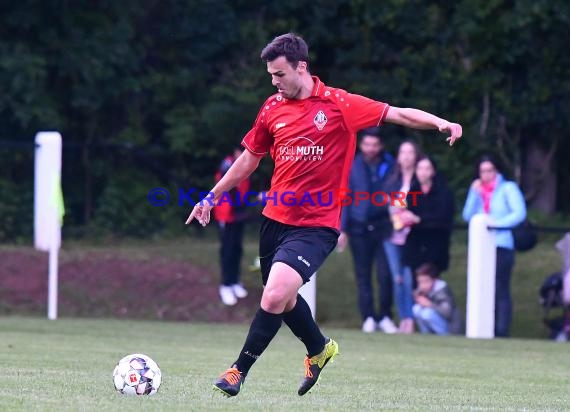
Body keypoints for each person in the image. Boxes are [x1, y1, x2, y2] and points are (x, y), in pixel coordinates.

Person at [186, 32, 462, 397]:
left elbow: (396, 113)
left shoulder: (338, 104)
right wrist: (211, 196)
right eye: (270, 75)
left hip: (316, 226)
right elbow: (249, 159)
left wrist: (441, 122)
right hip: (275, 220)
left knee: (273, 296)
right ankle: (319, 349)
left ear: (301, 67)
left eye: (280, 74)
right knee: (281, 300)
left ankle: (238, 371)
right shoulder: (271, 107)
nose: (274, 82)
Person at [337, 127, 398, 334]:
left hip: (384, 227)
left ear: (380, 146)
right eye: (367, 144)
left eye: (374, 144)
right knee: (363, 275)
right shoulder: (352, 165)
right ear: (361, 145)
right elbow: (344, 198)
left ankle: (386, 316)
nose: (370, 148)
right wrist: (342, 229)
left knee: (385, 274)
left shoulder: (390, 165)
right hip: (358, 227)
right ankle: (369, 317)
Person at [462, 155, 526, 337]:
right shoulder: (477, 189)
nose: (486, 175)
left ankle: (501, 330)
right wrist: (473, 194)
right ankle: (484, 327)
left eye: (489, 170)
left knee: (500, 287)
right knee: (482, 286)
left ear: (496, 171)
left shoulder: (507, 188)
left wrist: (494, 224)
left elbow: (519, 213)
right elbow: (468, 216)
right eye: (482, 171)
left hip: (501, 244)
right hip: (481, 247)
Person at [381, 140, 420, 334]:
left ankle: (410, 318)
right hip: (392, 235)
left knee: (409, 277)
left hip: (412, 236)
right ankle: (403, 318)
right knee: (397, 278)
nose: (406, 156)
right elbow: (382, 201)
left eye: (410, 152)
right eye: (402, 152)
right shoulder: (391, 179)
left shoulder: (419, 180)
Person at [403, 154, 455, 277]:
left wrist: (419, 219)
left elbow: (444, 216)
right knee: (415, 283)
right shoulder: (412, 191)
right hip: (416, 245)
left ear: (433, 171)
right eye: (420, 168)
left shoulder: (444, 192)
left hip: (436, 243)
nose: (423, 172)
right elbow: (408, 210)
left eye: (427, 168)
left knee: (432, 281)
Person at [214, 147, 250, 306]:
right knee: (227, 250)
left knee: (237, 249)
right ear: (236, 151)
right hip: (227, 215)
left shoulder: (246, 163)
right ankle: (226, 285)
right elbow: (229, 189)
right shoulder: (227, 164)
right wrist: (239, 208)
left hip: (237, 216)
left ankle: (235, 282)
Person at [412, 263, 461, 335]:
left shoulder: (442, 290)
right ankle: (426, 334)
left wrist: (430, 304)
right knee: (416, 309)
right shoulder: (424, 291)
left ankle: (444, 335)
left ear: (434, 280)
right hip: (437, 320)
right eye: (420, 282)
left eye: (425, 281)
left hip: (450, 326)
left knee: (427, 314)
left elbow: (447, 312)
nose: (422, 285)